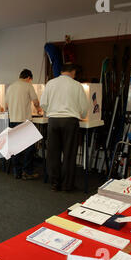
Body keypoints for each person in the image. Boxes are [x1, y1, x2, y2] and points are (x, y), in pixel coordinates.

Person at [40, 63, 89, 192]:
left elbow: (43, 103)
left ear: (61, 71)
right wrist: (81, 115)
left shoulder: (50, 83)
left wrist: (51, 111)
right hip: (70, 121)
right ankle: (67, 185)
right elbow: (84, 107)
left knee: (53, 153)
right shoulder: (77, 85)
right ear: (73, 71)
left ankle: (55, 183)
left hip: (53, 120)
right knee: (69, 153)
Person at [5, 69, 42, 180]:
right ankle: (27, 172)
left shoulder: (11, 87)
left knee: (16, 147)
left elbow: (6, 106)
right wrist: (39, 109)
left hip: (13, 119)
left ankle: (17, 172)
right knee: (29, 148)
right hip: (24, 120)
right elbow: (35, 101)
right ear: (29, 78)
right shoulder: (28, 86)